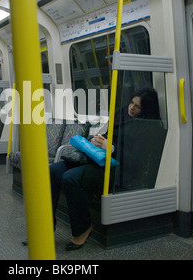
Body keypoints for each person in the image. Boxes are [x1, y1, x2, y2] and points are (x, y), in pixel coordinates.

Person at [46, 87, 162, 251]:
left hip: (120, 170)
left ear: (146, 110)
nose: (131, 108)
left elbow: (135, 161)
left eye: (137, 106)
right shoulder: (121, 115)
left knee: (70, 178)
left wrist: (111, 148)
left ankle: (83, 228)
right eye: (131, 103)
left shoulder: (149, 127)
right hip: (100, 159)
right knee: (53, 171)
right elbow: (109, 137)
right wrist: (99, 141)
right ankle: (46, 226)